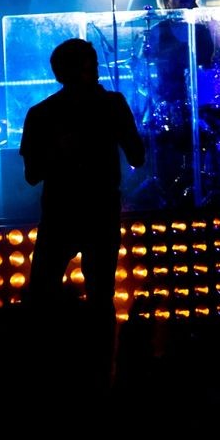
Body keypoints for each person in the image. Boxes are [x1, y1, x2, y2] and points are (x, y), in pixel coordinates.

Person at [19, 38, 146, 392]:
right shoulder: (113, 105)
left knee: (41, 295)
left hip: (60, 213)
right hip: (99, 211)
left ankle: (42, 375)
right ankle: (103, 375)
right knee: (101, 297)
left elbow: (31, 175)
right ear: (93, 67)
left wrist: (57, 154)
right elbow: (137, 156)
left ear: (57, 72)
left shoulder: (41, 114)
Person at [139, 0, 220, 207]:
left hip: (204, 104)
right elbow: (141, 68)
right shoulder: (157, 31)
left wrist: (219, 39)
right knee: (168, 153)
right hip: (170, 102)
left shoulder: (205, 29)